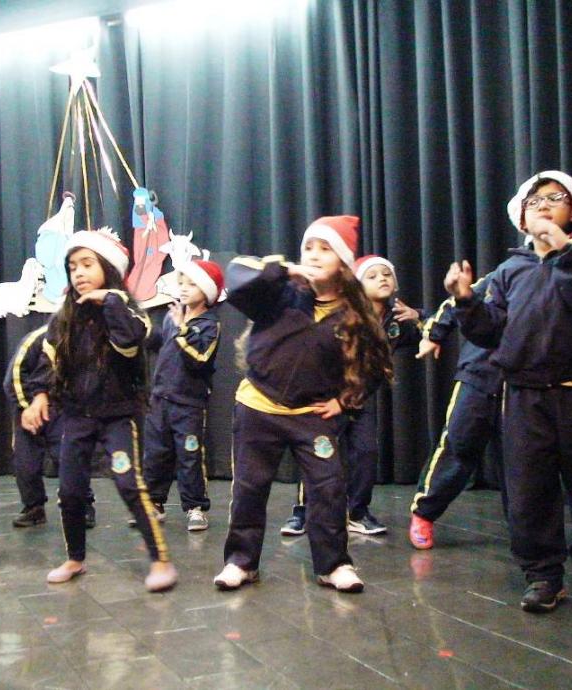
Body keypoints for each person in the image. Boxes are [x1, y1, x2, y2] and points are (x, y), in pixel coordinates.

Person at [446, 170, 572, 613]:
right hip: (524, 398)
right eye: (533, 201)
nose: (542, 204)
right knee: (529, 491)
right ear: (522, 220)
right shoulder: (509, 272)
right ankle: (543, 574)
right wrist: (466, 301)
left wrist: (563, 250)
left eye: (554, 198)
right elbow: (489, 332)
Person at [213, 216, 392, 593]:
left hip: (311, 416)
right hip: (258, 407)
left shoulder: (355, 315)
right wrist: (283, 271)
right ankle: (241, 562)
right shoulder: (280, 293)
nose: (313, 254)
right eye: (308, 247)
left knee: (328, 489)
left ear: (343, 263)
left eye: (325, 249)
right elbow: (237, 278)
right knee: (249, 488)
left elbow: (376, 365)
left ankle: (334, 564)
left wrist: (345, 402)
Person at [21, 229, 177, 592]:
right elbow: (49, 358)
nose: (78, 272)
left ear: (108, 267)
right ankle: (75, 558)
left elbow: (130, 341)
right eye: (73, 266)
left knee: (128, 484)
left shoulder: (127, 312)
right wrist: (39, 395)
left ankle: (161, 560)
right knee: (70, 491)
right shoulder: (65, 316)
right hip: (77, 417)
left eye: (87, 264)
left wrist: (111, 301)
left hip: (117, 417)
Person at [279, 255, 423, 537]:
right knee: (319, 452)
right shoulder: (345, 314)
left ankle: (357, 512)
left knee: (366, 453)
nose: (382, 279)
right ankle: (304, 512)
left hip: (360, 398)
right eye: (372, 276)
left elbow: (438, 324)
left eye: (387, 274)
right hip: (328, 396)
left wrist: (419, 315)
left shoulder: (397, 320)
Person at [408, 273, 504, 550]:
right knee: (458, 446)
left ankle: (529, 534)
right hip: (479, 375)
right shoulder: (503, 274)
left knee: (521, 460)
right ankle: (424, 512)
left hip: (524, 381)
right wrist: (434, 334)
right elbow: (454, 302)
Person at [141, 259, 224, 532]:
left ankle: (195, 507)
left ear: (207, 291)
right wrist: (142, 329)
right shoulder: (172, 316)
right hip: (160, 399)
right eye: (181, 283)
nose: (184, 288)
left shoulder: (209, 325)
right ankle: (154, 503)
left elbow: (199, 358)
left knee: (189, 455)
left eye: (192, 284)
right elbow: (160, 345)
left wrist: (181, 329)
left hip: (188, 403)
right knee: (156, 453)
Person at [4, 324, 95, 529]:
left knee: (69, 458)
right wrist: (27, 407)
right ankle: (33, 508)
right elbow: (14, 376)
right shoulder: (35, 339)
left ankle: (83, 505)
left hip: (61, 409)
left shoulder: (84, 339)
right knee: (25, 462)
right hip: (29, 407)